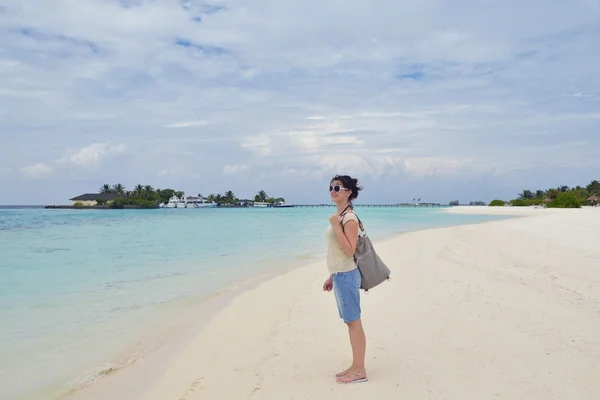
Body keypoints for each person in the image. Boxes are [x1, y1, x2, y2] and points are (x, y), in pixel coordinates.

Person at [322, 174, 367, 384]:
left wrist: (335, 225)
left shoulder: (348, 218)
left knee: (353, 322)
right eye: (331, 187)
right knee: (351, 322)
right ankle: (355, 365)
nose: (333, 190)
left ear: (348, 192)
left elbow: (349, 251)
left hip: (347, 275)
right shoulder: (340, 215)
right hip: (340, 274)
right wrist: (332, 275)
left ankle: (359, 370)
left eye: (337, 187)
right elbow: (338, 252)